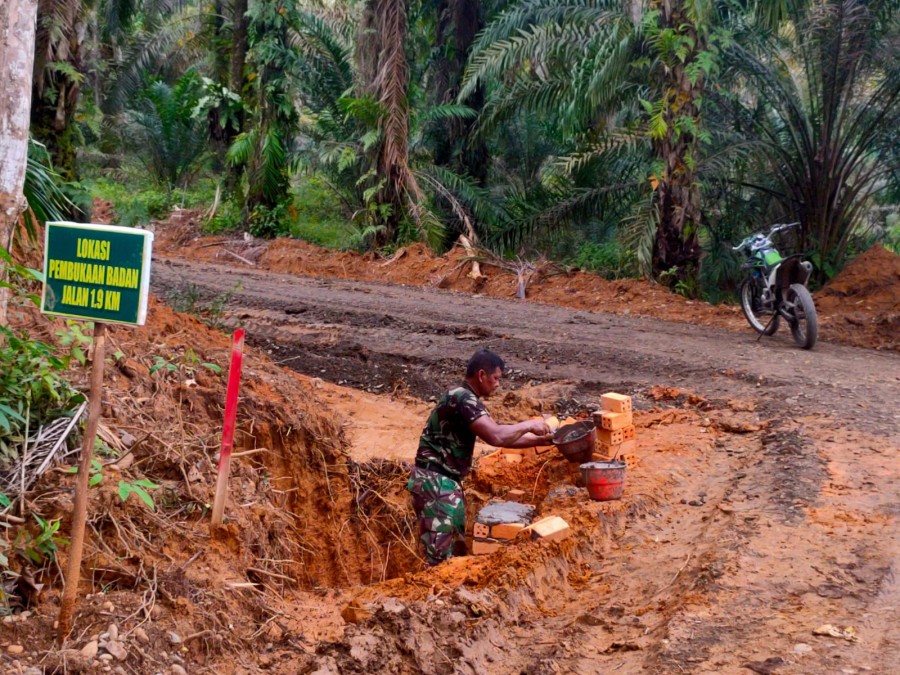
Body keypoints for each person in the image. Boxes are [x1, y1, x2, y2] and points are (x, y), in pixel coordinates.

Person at [408, 349, 551, 566]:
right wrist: (530, 424)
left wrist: (542, 441)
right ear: (481, 375)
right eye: (496, 378)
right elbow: (496, 435)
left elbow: (503, 438)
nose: (497, 384)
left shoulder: (466, 398)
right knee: (439, 562)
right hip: (435, 483)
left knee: (454, 556)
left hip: (445, 485)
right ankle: (435, 598)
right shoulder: (462, 398)